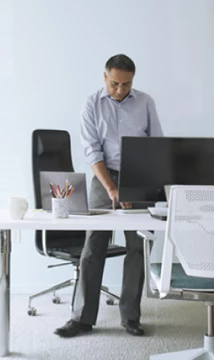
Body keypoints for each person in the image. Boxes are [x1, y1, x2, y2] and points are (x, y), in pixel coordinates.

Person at [54, 54, 163, 338]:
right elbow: (92, 150)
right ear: (105, 78)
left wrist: (139, 184)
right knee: (93, 245)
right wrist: (113, 189)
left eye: (126, 84)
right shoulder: (91, 103)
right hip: (103, 177)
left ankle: (130, 317)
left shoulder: (145, 102)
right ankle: (82, 318)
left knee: (138, 247)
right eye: (115, 83)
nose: (120, 90)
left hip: (139, 176)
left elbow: (156, 145)